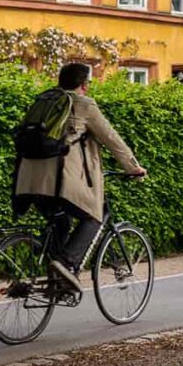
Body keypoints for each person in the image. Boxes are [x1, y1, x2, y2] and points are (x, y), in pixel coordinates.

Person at [13, 63, 147, 292]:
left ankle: (56, 279)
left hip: (29, 181)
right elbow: (111, 138)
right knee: (94, 216)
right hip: (60, 182)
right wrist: (134, 167)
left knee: (60, 221)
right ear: (84, 84)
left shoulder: (44, 101)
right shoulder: (84, 104)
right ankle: (66, 264)